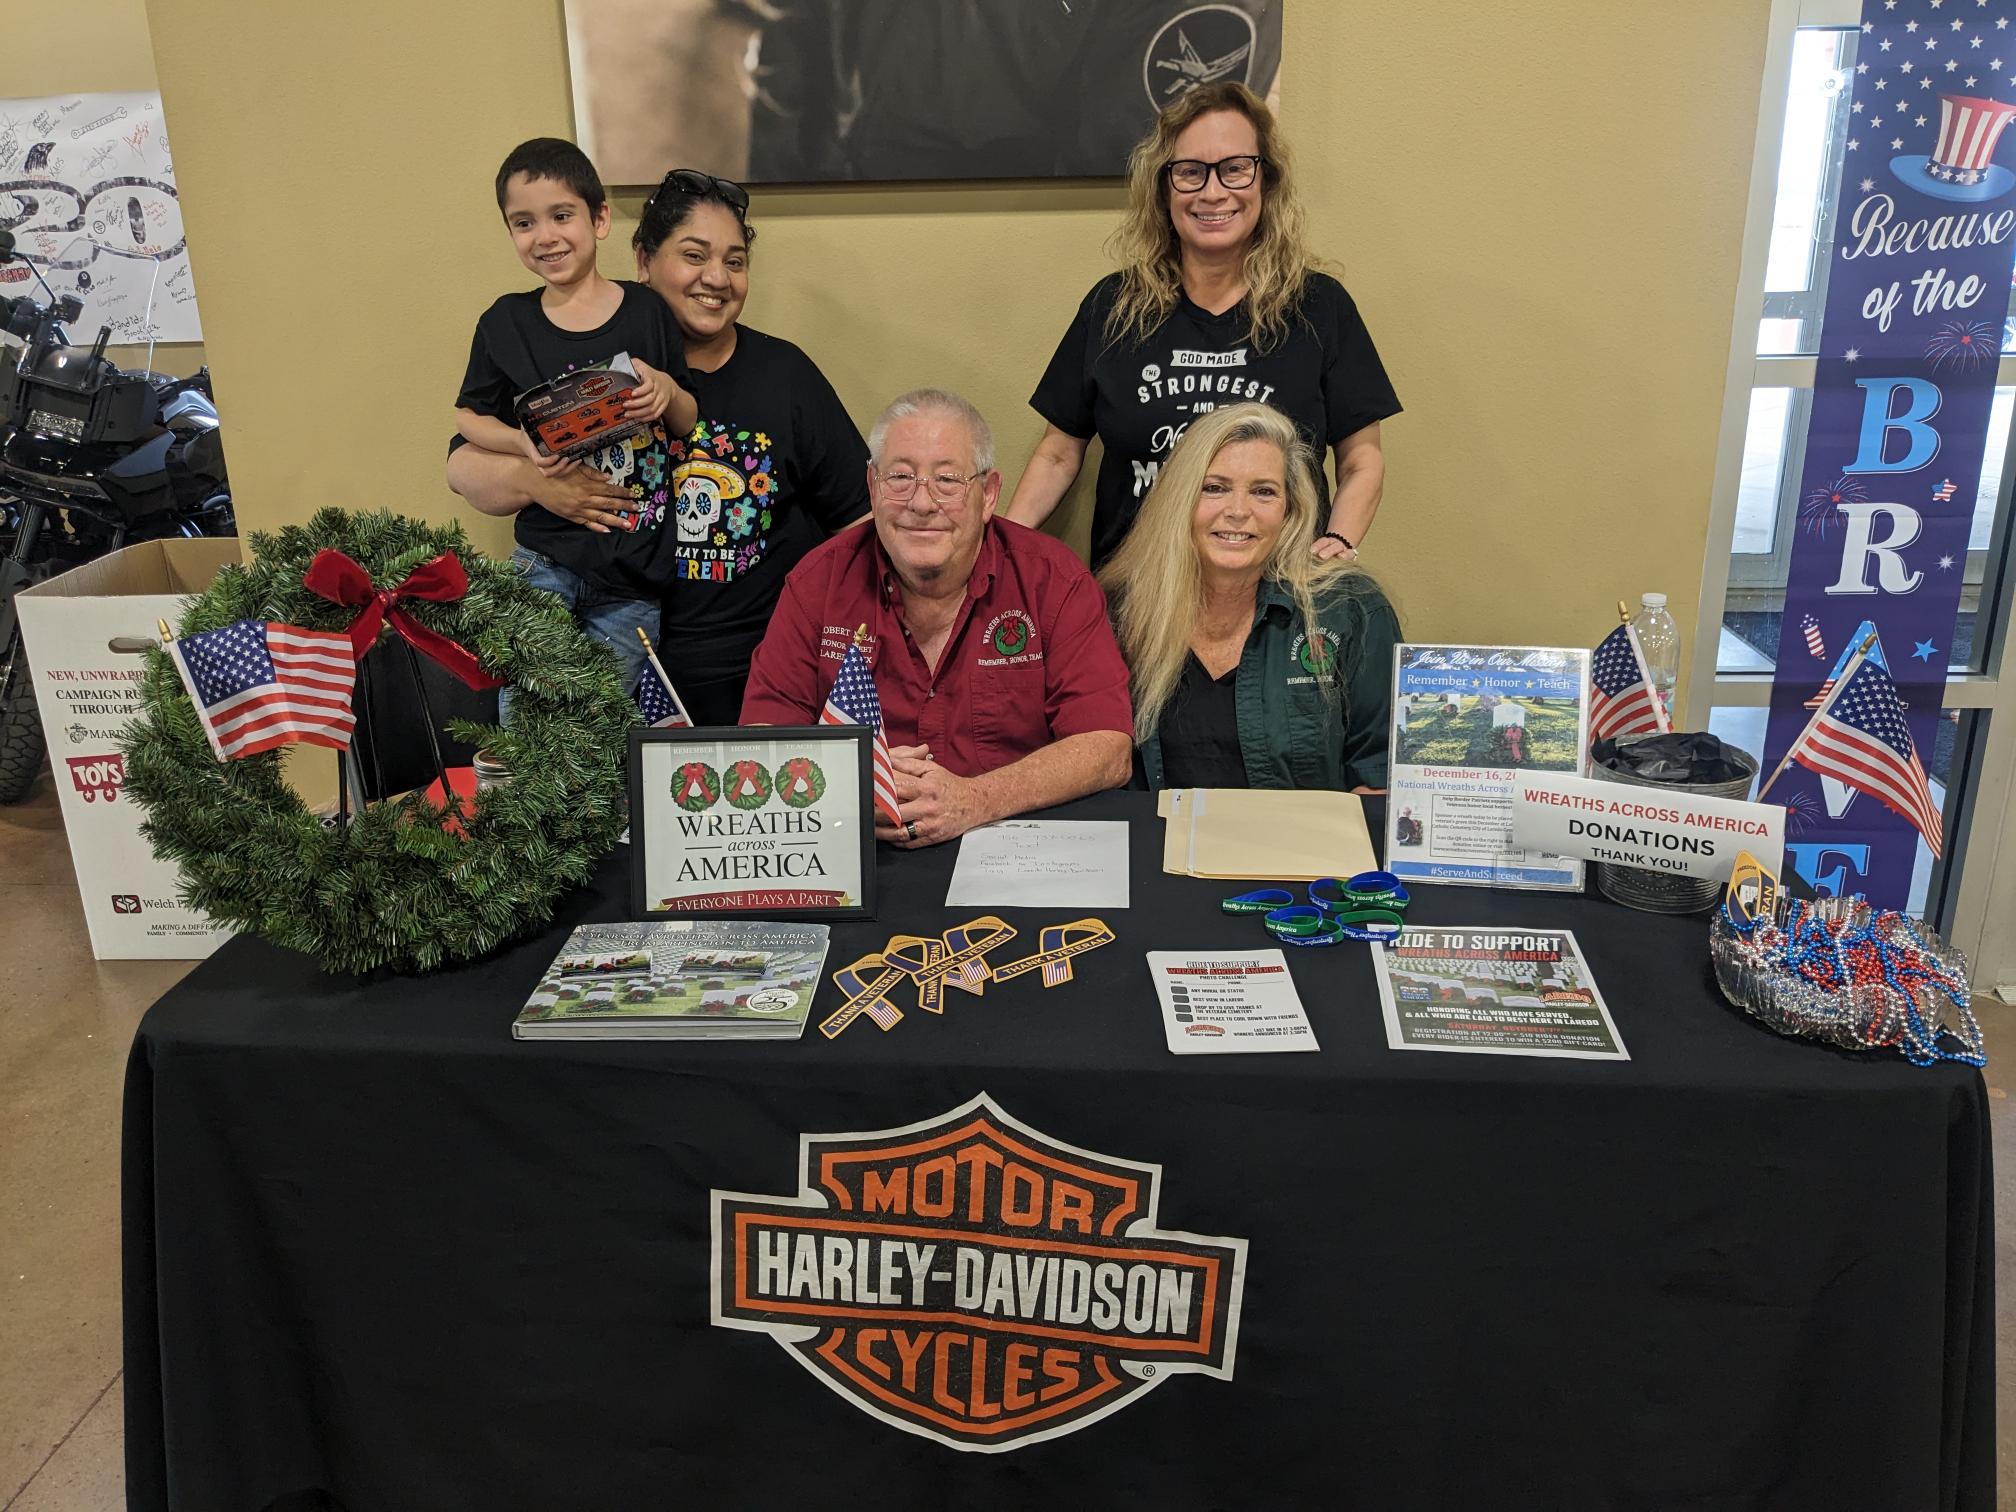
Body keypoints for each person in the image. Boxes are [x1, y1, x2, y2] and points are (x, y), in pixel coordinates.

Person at [1007, 80, 1400, 570]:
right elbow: (1058, 455)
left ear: (1266, 182)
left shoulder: (1319, 307)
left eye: (1235, 169)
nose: (1213, 192)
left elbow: (1362, 460)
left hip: (1278, 604)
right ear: (1164, 188)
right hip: (1134, 599)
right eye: (1191, 172)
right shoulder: (1114, 306)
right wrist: (1001, 553)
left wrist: (1339, 542)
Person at [741, 389, 1133, 846]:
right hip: (858, 847)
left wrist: (976, 799)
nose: (922, 504)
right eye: (901, 477)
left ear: (988, 495)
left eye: (948, 480)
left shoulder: (1055, 581)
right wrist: (848, 778)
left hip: (1013, 845)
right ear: (872, 487)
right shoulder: (817, 584)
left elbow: (1107, 749)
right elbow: (761, 739)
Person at [446, 138, 698, 701]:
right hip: (544, 559)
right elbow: (467, 417)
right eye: (523, 223)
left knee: (606, 725)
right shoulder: (505, 322)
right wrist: (519, 443)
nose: (546, 236)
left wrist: (665, 389)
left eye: (562, 215)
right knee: (528, 714)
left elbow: (687, 418)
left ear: (600, 218)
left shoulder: (647, 310)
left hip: (635, 570)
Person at [632, 169, 869, 726]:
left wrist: (833, 648)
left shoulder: (785, 375)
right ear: (644, 261)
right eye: (694, 255)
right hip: (631, 675)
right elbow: (473, 465)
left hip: (771, 681)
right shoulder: (606, 374)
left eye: (735, 262)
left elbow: (859, 525)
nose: (717, 278)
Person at [1100, 402, 1399, 791]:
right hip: (1157, 847)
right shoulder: (1116, 611)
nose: (1239, 511)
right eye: (1215, 488)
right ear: (1179, 500)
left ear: (1290, 510)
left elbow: (1380, 776)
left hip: (1304, 850)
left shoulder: (1349, 608)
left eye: (1263, 492)